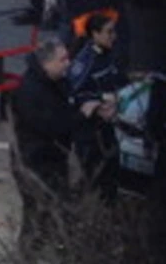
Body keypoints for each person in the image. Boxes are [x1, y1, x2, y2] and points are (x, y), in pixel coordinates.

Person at [9, 39, 78, 257]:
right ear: (47, 63)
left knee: (55, 212)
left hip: (54, 160)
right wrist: (80, 117)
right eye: (62, 60)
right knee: (37, 213)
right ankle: (28, 255)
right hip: (34, 163)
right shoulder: (29, 91)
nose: (68, 64)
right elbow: (51, 125)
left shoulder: (56, 82)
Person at [67, 11, 125, 202]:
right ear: (95, 34)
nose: (113, 37)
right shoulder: (85, 61)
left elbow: (115, 79)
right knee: (95, 179)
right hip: (91, 133)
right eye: (108, 32)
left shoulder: (108, 55)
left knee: (112, 173)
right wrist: (98, 102)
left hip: (107, 127)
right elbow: (73, 93)